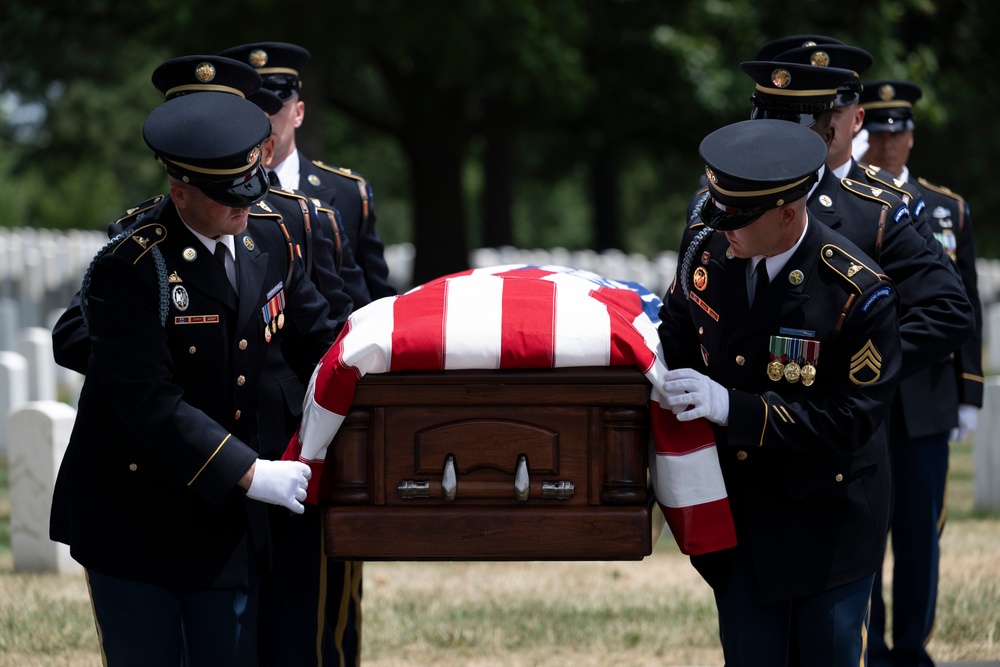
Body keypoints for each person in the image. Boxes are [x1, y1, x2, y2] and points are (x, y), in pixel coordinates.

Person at [49, 92, 344, 665]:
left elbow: (319, 339)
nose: (245, 205)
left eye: (250, 185)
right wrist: (251, 472)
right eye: (226, 194)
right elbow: (149, 402)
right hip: (139, 516)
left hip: (226, 522)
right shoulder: (131, 269)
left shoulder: (269, 238)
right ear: (180, 192)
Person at [658, 118, 902, 664]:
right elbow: (676, 327)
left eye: (738, 218)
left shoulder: (854, 292)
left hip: (826, 522)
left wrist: (732, 407)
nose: (722, 229)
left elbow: (851, 419)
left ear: (788, 213)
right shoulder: (707, 250)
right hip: (742, 517)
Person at [218, 40, 378, 667]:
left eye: (276, 104)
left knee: (308, 624)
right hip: (217, 435)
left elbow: (349, 319)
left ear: (296, 111)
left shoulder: (318, 209)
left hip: (293, 430)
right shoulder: (152, 231)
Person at [736, 58, 974, 378]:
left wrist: (860, 365)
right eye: (768, 123)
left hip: (833, 419)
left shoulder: (876, 214)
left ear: (826, 134)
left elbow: (949, 312)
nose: (775, 140)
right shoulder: (722, 202)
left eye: (793, 127)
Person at [860, 79, 984, 667]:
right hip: (865, 395)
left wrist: (971, 394)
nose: (888, 145)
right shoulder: (846, 200)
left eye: (898, 133)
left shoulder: (946, 208)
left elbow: (966, 306)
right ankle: (871, 646)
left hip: (929, 395)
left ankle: (911, 648)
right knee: (864, 530)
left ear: (910, 137)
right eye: (878, 133)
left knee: (919, 535)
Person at [220, 40, 396, 305]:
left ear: (299, 113)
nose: (266, 114)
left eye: (277, 103)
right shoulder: (214, 194)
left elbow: (374, 302)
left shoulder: (348, 194)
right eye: (253, 104)